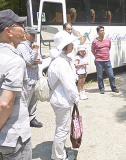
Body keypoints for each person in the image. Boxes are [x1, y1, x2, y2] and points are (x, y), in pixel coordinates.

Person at [0, 9, 32, 159]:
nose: (23, 28)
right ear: (8, 31)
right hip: (13, 136)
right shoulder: (15, 61)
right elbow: (5, 104)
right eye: (19, 24)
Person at [48, 31, 80, 160]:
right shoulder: (60, 63)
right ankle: (58, 156)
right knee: (62, 129)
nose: (73, 45)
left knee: (61, 127)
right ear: (64, 45)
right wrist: (76, 99)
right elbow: (69, 85)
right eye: (70, 43)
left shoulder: (60, 59)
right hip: (62, 100)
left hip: (60, 99)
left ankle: (59, 152)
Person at [17, 27, 43, 128]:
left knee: (34, 101)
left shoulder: (32, 46)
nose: (34, 36)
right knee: (25, 102)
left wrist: (35, 58)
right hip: (27, 79)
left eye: (35, 34)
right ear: (26, 34)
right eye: (32, 34)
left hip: (34, 77)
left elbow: (40, 60)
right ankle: (22, 122)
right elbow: (29, 61)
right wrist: (35, 51)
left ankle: (32, 119)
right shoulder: (22, 46)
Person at [91, 26, 119, 94]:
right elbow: (92, 50)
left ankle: (113, 88)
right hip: (99, 61)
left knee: (111, 74)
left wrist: (105, 55)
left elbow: (109, 47)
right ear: (97, 32)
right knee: (100, 76)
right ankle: (101, 88)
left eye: (103, 30)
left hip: (107, 60)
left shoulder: (108, 39)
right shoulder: (95, 41)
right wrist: (97, 56)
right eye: (101, 30)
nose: (102, 31)